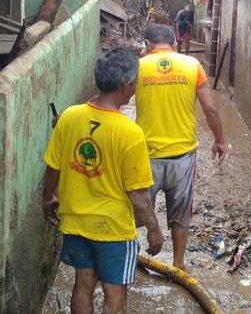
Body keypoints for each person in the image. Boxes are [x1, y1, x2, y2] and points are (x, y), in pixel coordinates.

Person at [42, 48, 164, 314]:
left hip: (75, 221)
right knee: (114, 291)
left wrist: (47, 198)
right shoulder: (130, 133)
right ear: (127, 86)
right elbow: (139, 195)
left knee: (83, 283)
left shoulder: (69, 117)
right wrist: (154, 229)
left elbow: (53, 167)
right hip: (113, 229)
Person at [135, 24, 226, 272]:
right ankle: (178, 263)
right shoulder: (192, 66)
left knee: (137, 210)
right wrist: (219, 139)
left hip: (145, 154)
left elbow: (117, 99)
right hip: (183, 155)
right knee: (181, 212)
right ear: (175, 43)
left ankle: (130, 258)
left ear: (146, 44)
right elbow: (210, 109)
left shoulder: (137, 67)